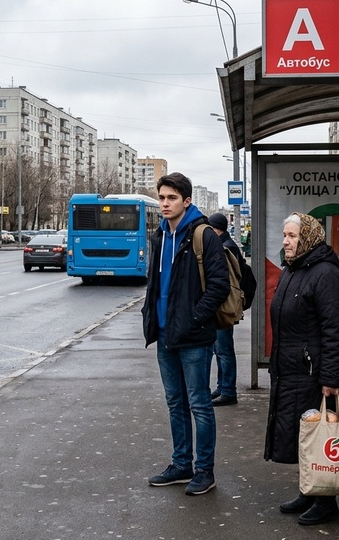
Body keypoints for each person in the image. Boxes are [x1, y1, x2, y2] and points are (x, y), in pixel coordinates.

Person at [142, 172, 230, 496]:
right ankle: (182, 464)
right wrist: (151, 317)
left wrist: (194, 318)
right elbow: (155, 284)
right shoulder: (159, 236)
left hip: (194, 337)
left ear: (186, 201)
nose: (165, 204)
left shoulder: (203, 235)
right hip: (165, 335)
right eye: (162, 198)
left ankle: (205, 471)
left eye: (172, 198)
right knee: (174, 402)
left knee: (199, 404)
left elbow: (219, 286)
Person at [265, 213, 339, 526]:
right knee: (305, 433)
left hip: (316, 374)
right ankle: (309, 489)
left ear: (309, 238)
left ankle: (326, 504)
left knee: (321, 433)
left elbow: (336, 329)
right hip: (293, 369)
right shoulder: (295, 269)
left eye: (292, 236)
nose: (285, 241)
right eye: (284, 235)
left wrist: (330, 377)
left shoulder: (325, 273)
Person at [207, 212, 240, 407]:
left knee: (224, 350)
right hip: (224, 306)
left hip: (223, 307)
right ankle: (222, 387)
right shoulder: (227, 245)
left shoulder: (225, 248)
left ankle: (228, 390)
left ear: (216, 229)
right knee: (220, 349)